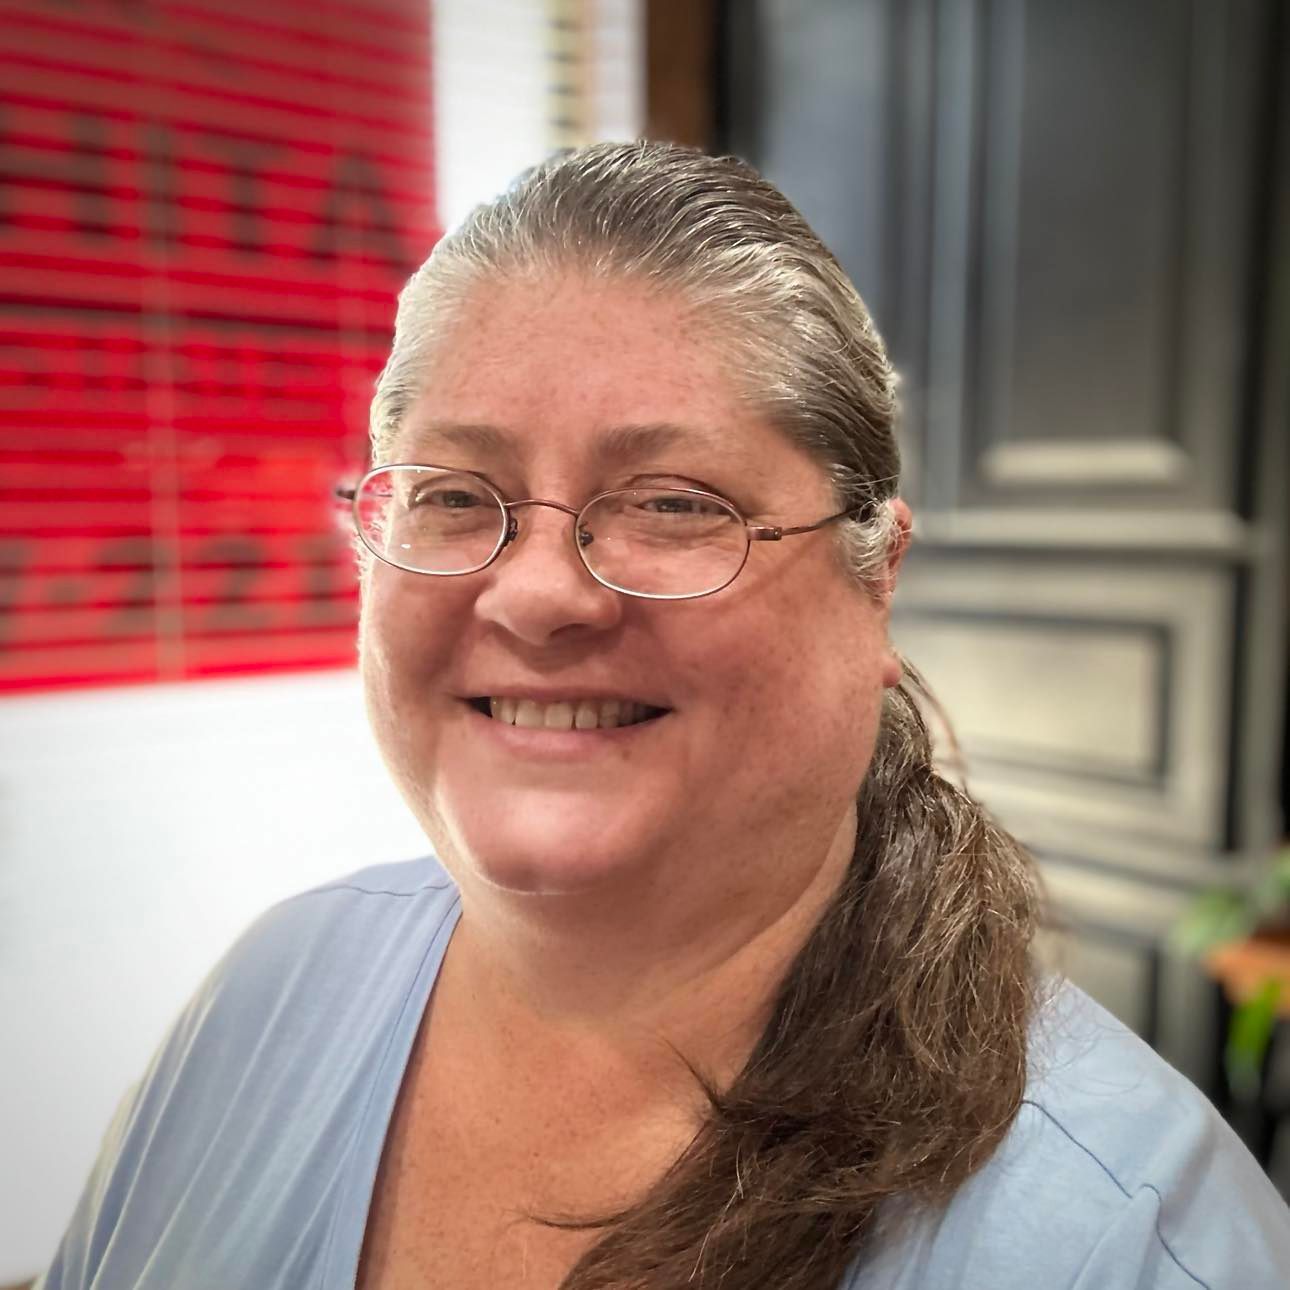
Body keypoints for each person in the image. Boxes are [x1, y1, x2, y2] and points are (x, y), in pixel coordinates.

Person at [34, 142, 1289, 1290]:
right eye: (456, 496)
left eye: (675, 504)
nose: (533, 595)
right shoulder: (271, 993)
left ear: (878, 580)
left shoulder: (1129, 1246)